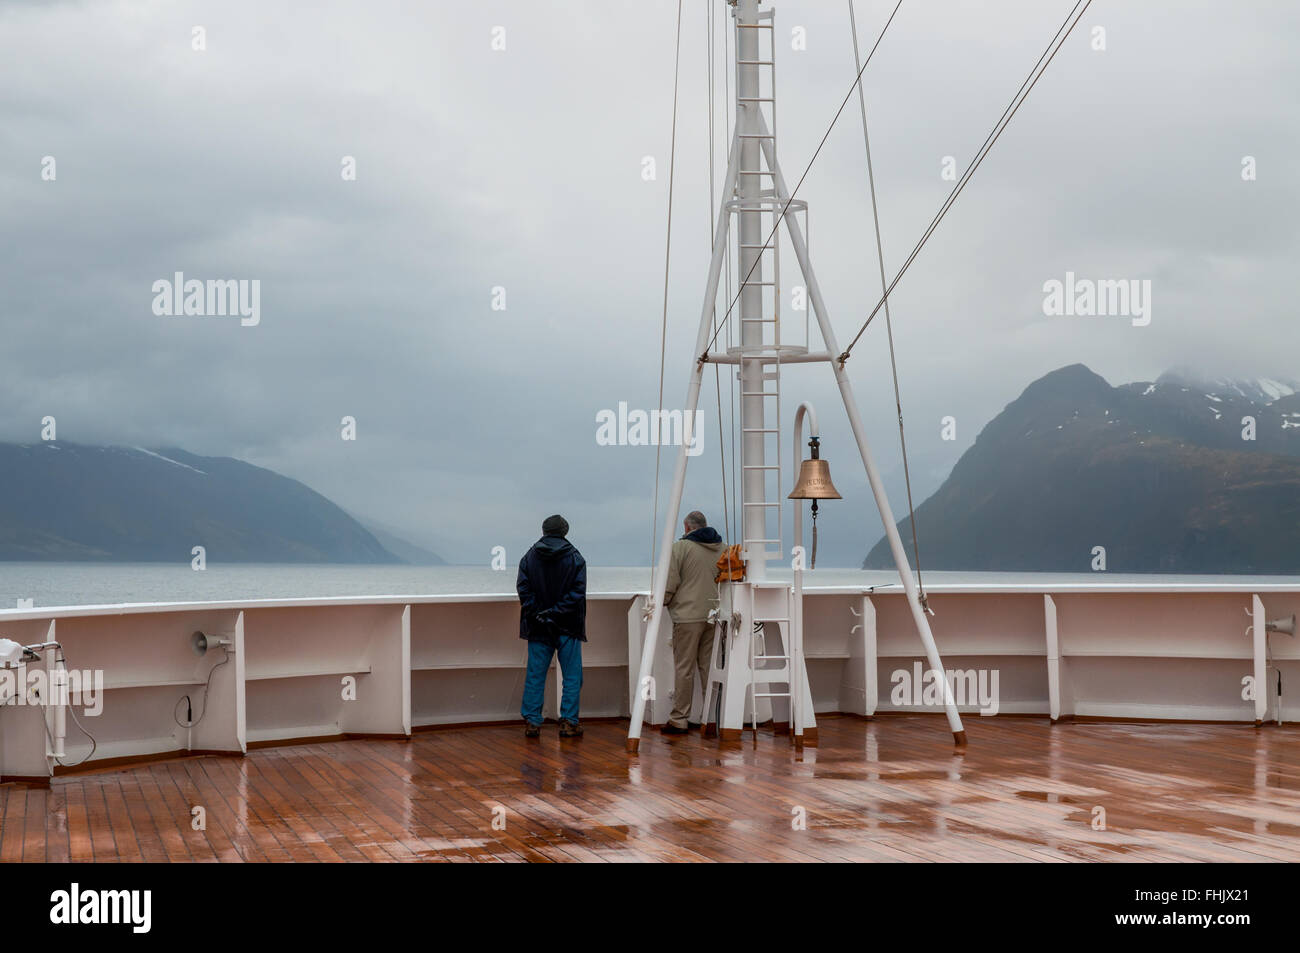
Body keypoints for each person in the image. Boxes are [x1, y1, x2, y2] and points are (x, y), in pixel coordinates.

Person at [517, 514, 586, 738]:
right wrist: (556, 612)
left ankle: (533, 722)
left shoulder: (529, 557)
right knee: (572, 675)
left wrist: (539, 613)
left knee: (536, 674)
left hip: (538, 626)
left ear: (544, 531)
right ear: (565, 531)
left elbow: (523, 589)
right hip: (568, 625)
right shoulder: (575, 558)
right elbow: (577, 592)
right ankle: (568, 721)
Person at [661, 510, 725, 735]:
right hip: (713, 616)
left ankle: (679, 719)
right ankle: (711, 718)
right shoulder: (722, 548)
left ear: (687, 527)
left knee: (684, 668)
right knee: (708, 668)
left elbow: (670, 581)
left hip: (687, 617)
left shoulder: (680, 548)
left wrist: (664, 601)